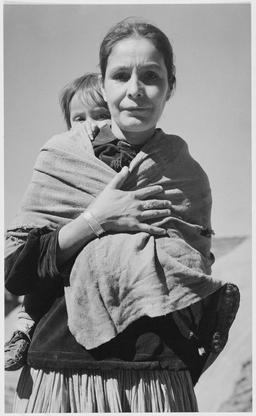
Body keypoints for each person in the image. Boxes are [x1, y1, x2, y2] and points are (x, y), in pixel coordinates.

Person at [5, 18, 239, 413]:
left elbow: (193, 274)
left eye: (151, 76)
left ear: (170, 87)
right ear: (105, 83)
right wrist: (97, 218)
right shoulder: (60, 158)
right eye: (120, 75)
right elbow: (18, 272)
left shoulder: (186, 176)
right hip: (63, 376)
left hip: (159, 377)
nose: (135, 90)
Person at [5, 72, 112, 371]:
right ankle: (23, 331)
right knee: (42, 285)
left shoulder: (126, 157)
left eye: (102, 115)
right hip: (56, 255)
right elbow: (39, 209)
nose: (91, 124)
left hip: (104, 266)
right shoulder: (59, 158)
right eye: (78, 118)